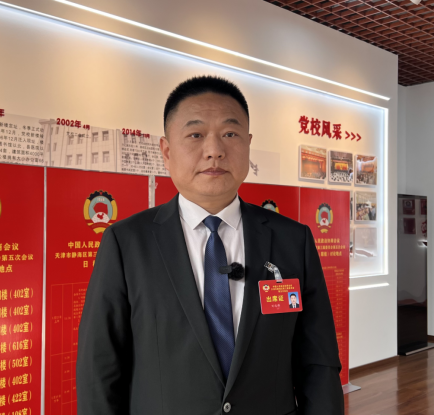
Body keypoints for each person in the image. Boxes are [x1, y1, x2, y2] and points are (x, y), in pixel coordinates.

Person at [77, 76, 344, 415]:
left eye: (230, 134)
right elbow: (99, 367)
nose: (215, 150)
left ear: (248, 144)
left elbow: (318, 361)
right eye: (196, 135)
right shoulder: (126, 242)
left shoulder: (293, 240)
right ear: (167, 151)